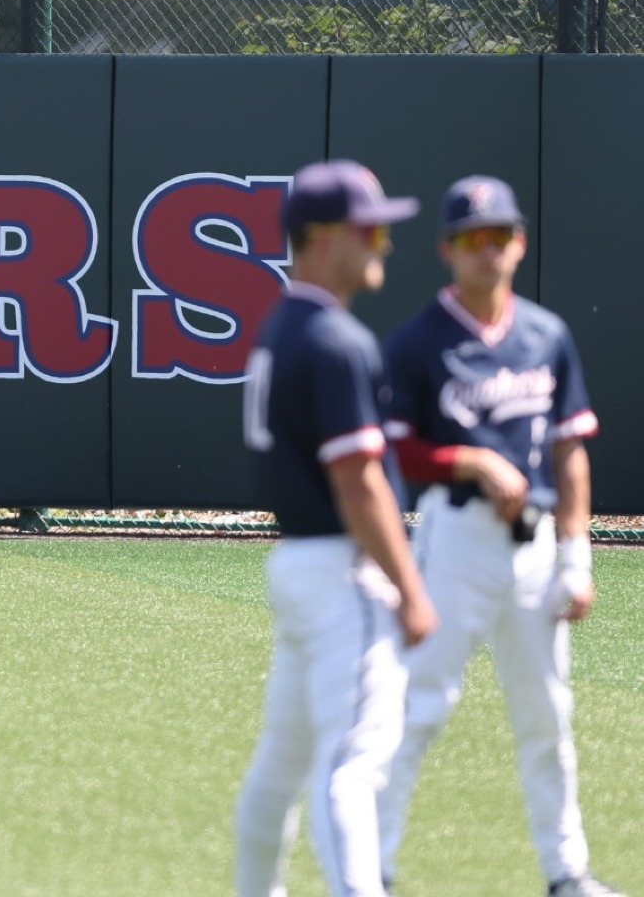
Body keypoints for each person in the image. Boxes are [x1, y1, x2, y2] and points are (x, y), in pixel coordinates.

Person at [376, 176, 624, 897]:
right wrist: (469, 460)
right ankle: (370, 872)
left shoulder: (545, 335)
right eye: (470, 239)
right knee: (416, 707)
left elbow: (570, 451)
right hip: (455, 542)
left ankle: (566, 873)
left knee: (548, 718)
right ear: (446, 250)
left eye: (498, 236)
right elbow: (395, 449)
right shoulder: (418, 340)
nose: (486, 250)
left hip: (535, 549)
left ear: (519, 243)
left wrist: (576, 557)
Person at [236, 159, 437, 897]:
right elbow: (359, 485)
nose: (384, 243)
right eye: (370, 230)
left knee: (280, 767)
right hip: (340, 571)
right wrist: (409, 586)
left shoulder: (281, 326)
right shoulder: (334, 339)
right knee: (351, 766)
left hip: (299, 566)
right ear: (322, 238)